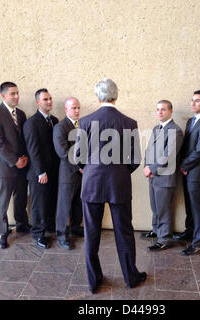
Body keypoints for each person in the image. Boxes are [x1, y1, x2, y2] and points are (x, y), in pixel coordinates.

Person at [74, 78, 146, 293]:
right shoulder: (129, 122)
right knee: (124, 232)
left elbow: (78, 155)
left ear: (98, 96)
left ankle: (94, 282)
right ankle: (131, 277)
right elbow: (135, 159)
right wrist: (121, 173)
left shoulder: (85, 121)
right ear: (117, 95)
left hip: (92, 182)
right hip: (119, 183)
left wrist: (87, 169)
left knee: (92, 233)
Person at [0, 82, 30, 249]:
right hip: (5, 167)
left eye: (17, 93)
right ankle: (2, 233)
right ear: (3, 96)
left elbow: (23, 138)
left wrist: (24, 158)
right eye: (12, 94)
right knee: (2, 201)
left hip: (22, 165)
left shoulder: (21, 114)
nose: (16, 96)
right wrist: (14, 160)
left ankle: (22, 224)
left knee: (21, 197)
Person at [176, 90, 200, 255]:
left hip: (196, 171)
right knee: (189, 204)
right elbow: (186, 146)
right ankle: (190, 230)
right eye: (192, 100)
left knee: (196, 205)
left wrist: (184, 165)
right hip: (186, 170)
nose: (193, 104)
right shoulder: (191, 121)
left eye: (197, 101)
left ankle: (198, 242)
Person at [143, 100, 183, 251]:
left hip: (165, 177)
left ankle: (164, 238)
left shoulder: (175, 130)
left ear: (170, 112)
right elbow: (149, 150)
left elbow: (168, 156)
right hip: (153, 176)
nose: (159, 112)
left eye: (163, 110)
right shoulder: (156, 128)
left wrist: (151, 169)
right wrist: (147, 166)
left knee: (163, 209)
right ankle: (156, 231)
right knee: (155, 207)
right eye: (158, 109)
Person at [23, 88, 59, 249]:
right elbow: (33, 149)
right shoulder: (31, 123)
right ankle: (38, 233)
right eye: (45, 99)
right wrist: (40, 172)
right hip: (39, 173)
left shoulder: (55, 120)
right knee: (39, 205)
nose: (49, 101)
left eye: (50, 98)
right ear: (38, 102)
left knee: (50, 201)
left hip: (53, 170)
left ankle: (49, 228)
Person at [53, 97, 84, 250]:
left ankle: (76, 227)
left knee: (78, 202)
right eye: (73, 108)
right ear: (66, 109)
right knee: (64, 205)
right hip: (68, 173)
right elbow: (63, 152)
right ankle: (61, 234)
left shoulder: (83, 125)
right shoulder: (60, 127)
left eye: (78, 107)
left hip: (83, 172)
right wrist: (79, 167)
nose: (77, 111)